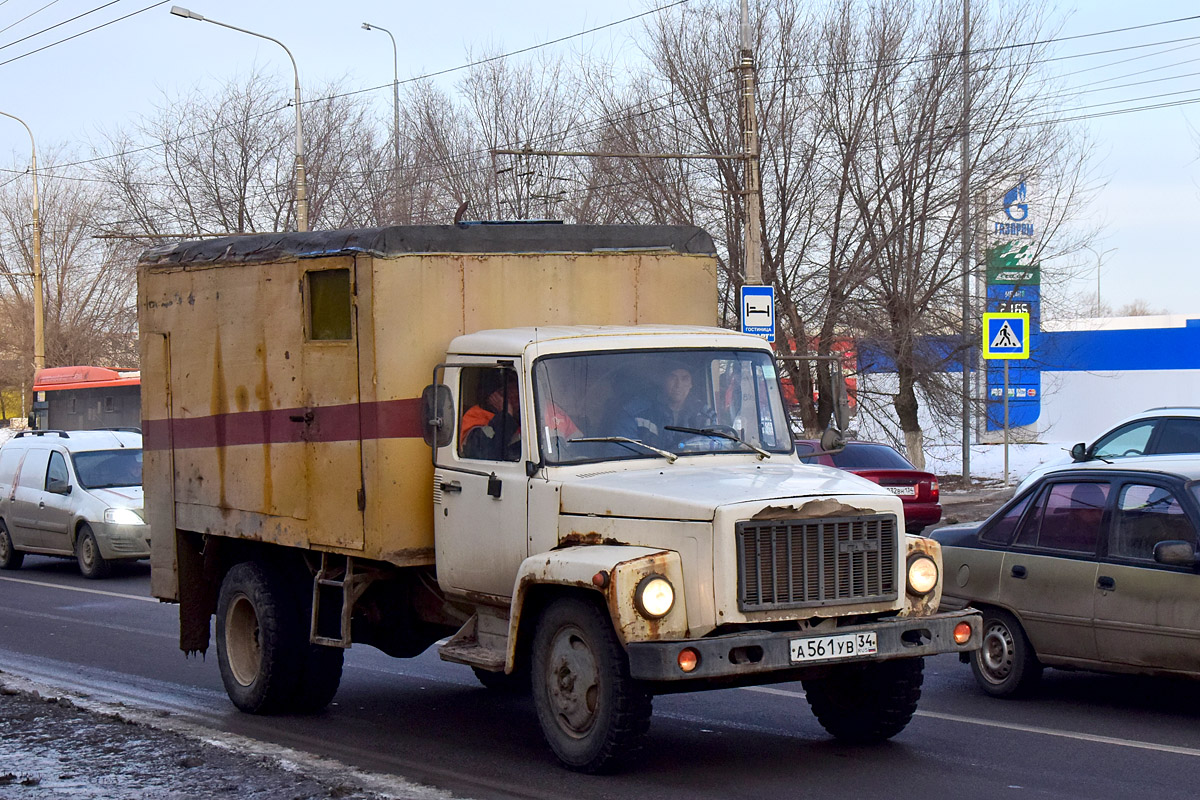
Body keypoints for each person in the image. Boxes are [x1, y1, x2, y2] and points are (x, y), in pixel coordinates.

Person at [460, 370, 521, 461]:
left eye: (518, 394)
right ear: (495, 395)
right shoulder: (475, 416)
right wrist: (506, 415)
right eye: (510, 392)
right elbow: (483, 453)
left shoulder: (520, 420)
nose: (516, 398)